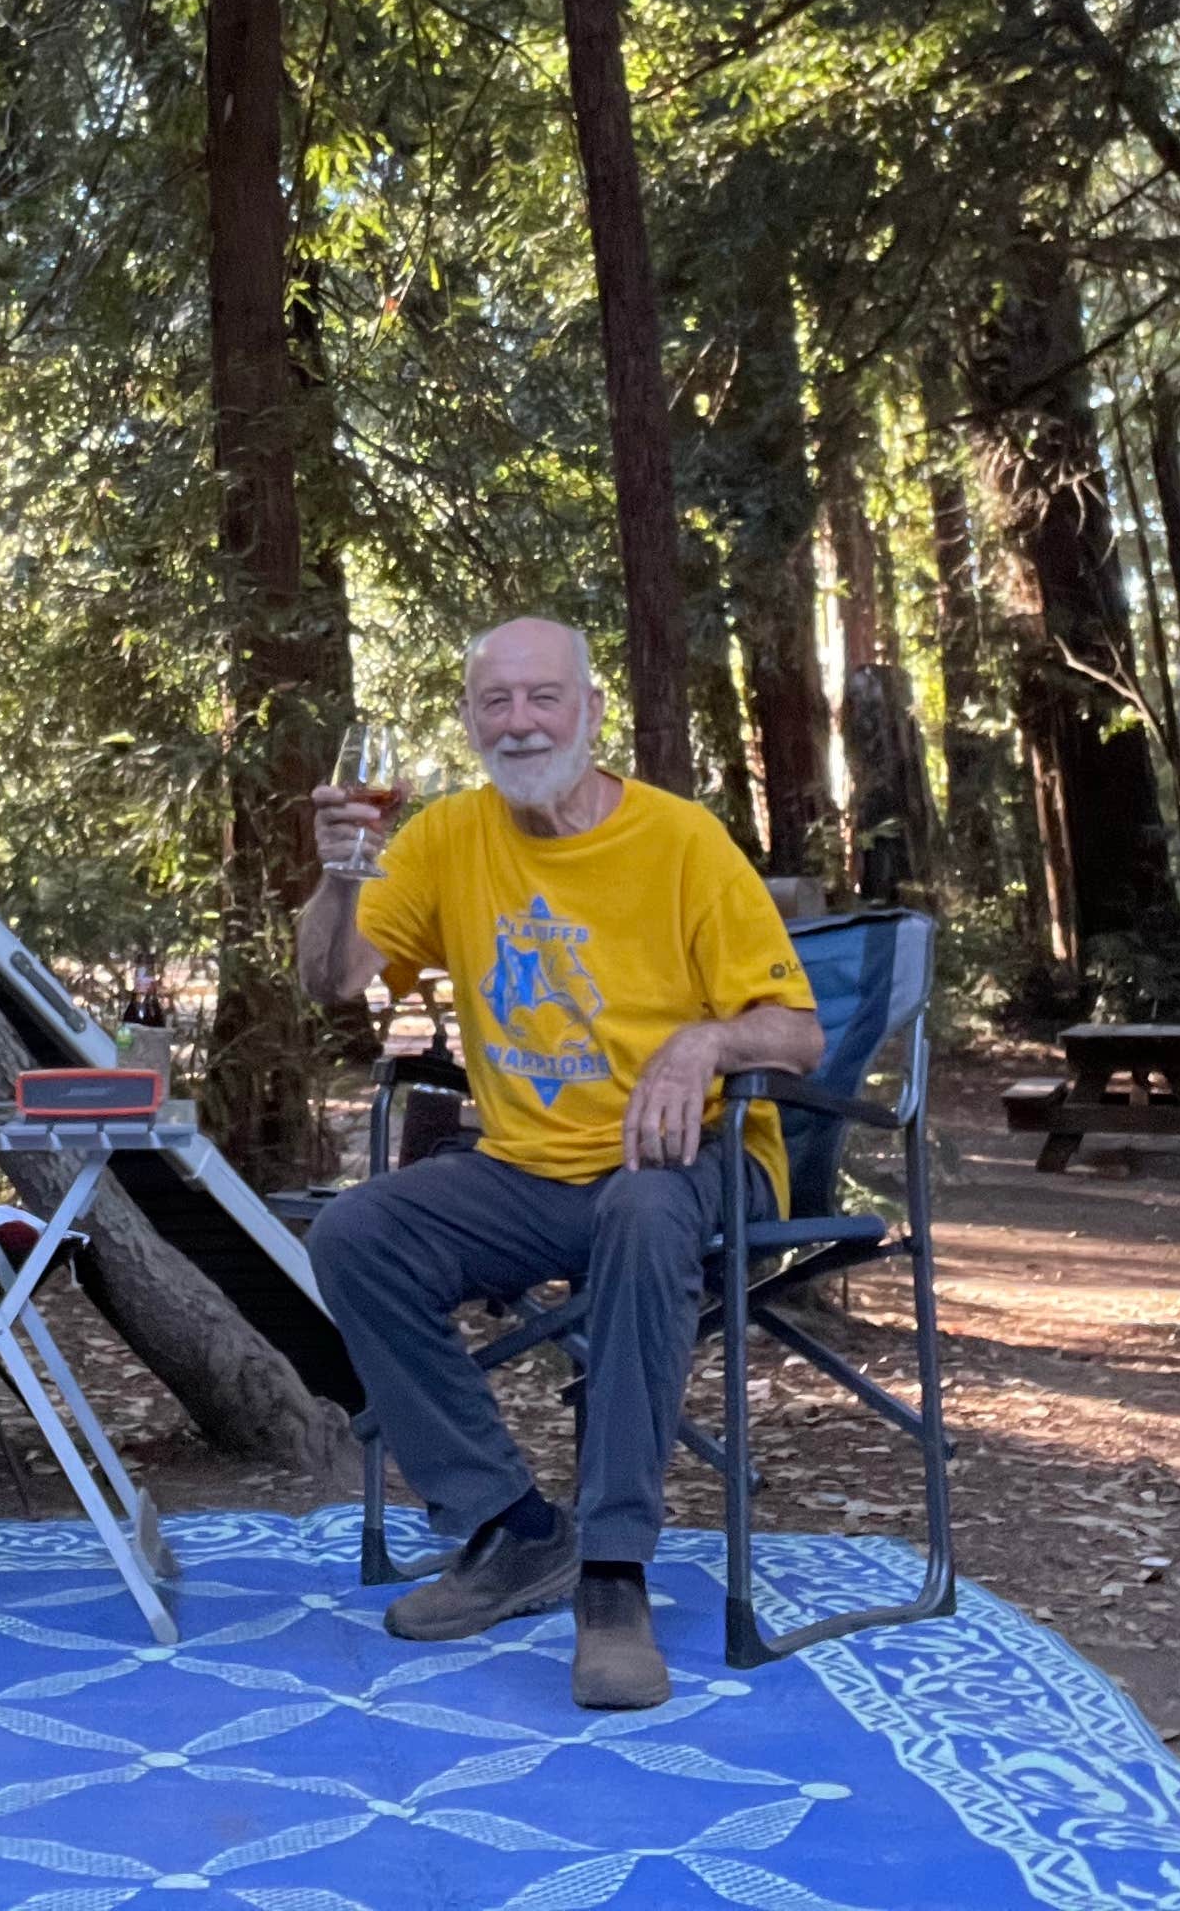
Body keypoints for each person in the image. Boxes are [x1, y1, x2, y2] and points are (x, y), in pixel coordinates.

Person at [295, 616, 822, 1711]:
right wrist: (342, 877)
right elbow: (333, 980)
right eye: (498, 703)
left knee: (639, 1210)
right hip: (530, 1169)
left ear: (590, 711)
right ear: (471, 720)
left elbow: (798, 1034)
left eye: (544, 698)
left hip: (695, 1159)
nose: (521, 721)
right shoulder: (446, 836)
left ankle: (616, 1572)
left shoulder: (680, 840)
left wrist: (707, 1039)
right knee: (356, 1233)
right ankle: (514, 1528)